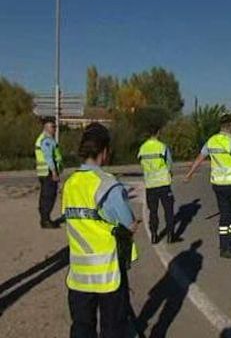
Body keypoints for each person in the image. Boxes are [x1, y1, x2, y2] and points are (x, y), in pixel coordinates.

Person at [62, 122, 140, 338]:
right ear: (104, 151)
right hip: (108, 274)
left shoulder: (70, 184)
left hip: (78, 275)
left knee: (81, 328)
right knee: (113, 328)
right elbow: (127, 223)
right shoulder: (107, 184)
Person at [184, 114, 231, 260]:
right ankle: (230, 248)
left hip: (217, 185)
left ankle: (223, 246)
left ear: (221, 126)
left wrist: (189, 174)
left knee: (224, 214)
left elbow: (200, 158)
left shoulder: (211, 141)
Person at [137, 123, 177, 244]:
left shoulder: (143, 148)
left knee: (153, 211)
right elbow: (169, 163)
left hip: (150, 184)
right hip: (163, 183)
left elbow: (141, 162)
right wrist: (169, 172)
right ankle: (170, 235)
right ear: (158, 133)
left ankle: (154, 235)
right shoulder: (162, 147)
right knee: (168, 210)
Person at [34, 117, 63, 229]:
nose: (55, 129)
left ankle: (45, 219)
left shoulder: (44, 138)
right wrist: (54, 172)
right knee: (48, 197)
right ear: (46, 127)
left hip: (44, 172)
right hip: (48, 173)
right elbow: (48, 157)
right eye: (52, 126)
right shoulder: (46, 140)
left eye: (55, 126)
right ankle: (45, 221)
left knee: (45, 196)